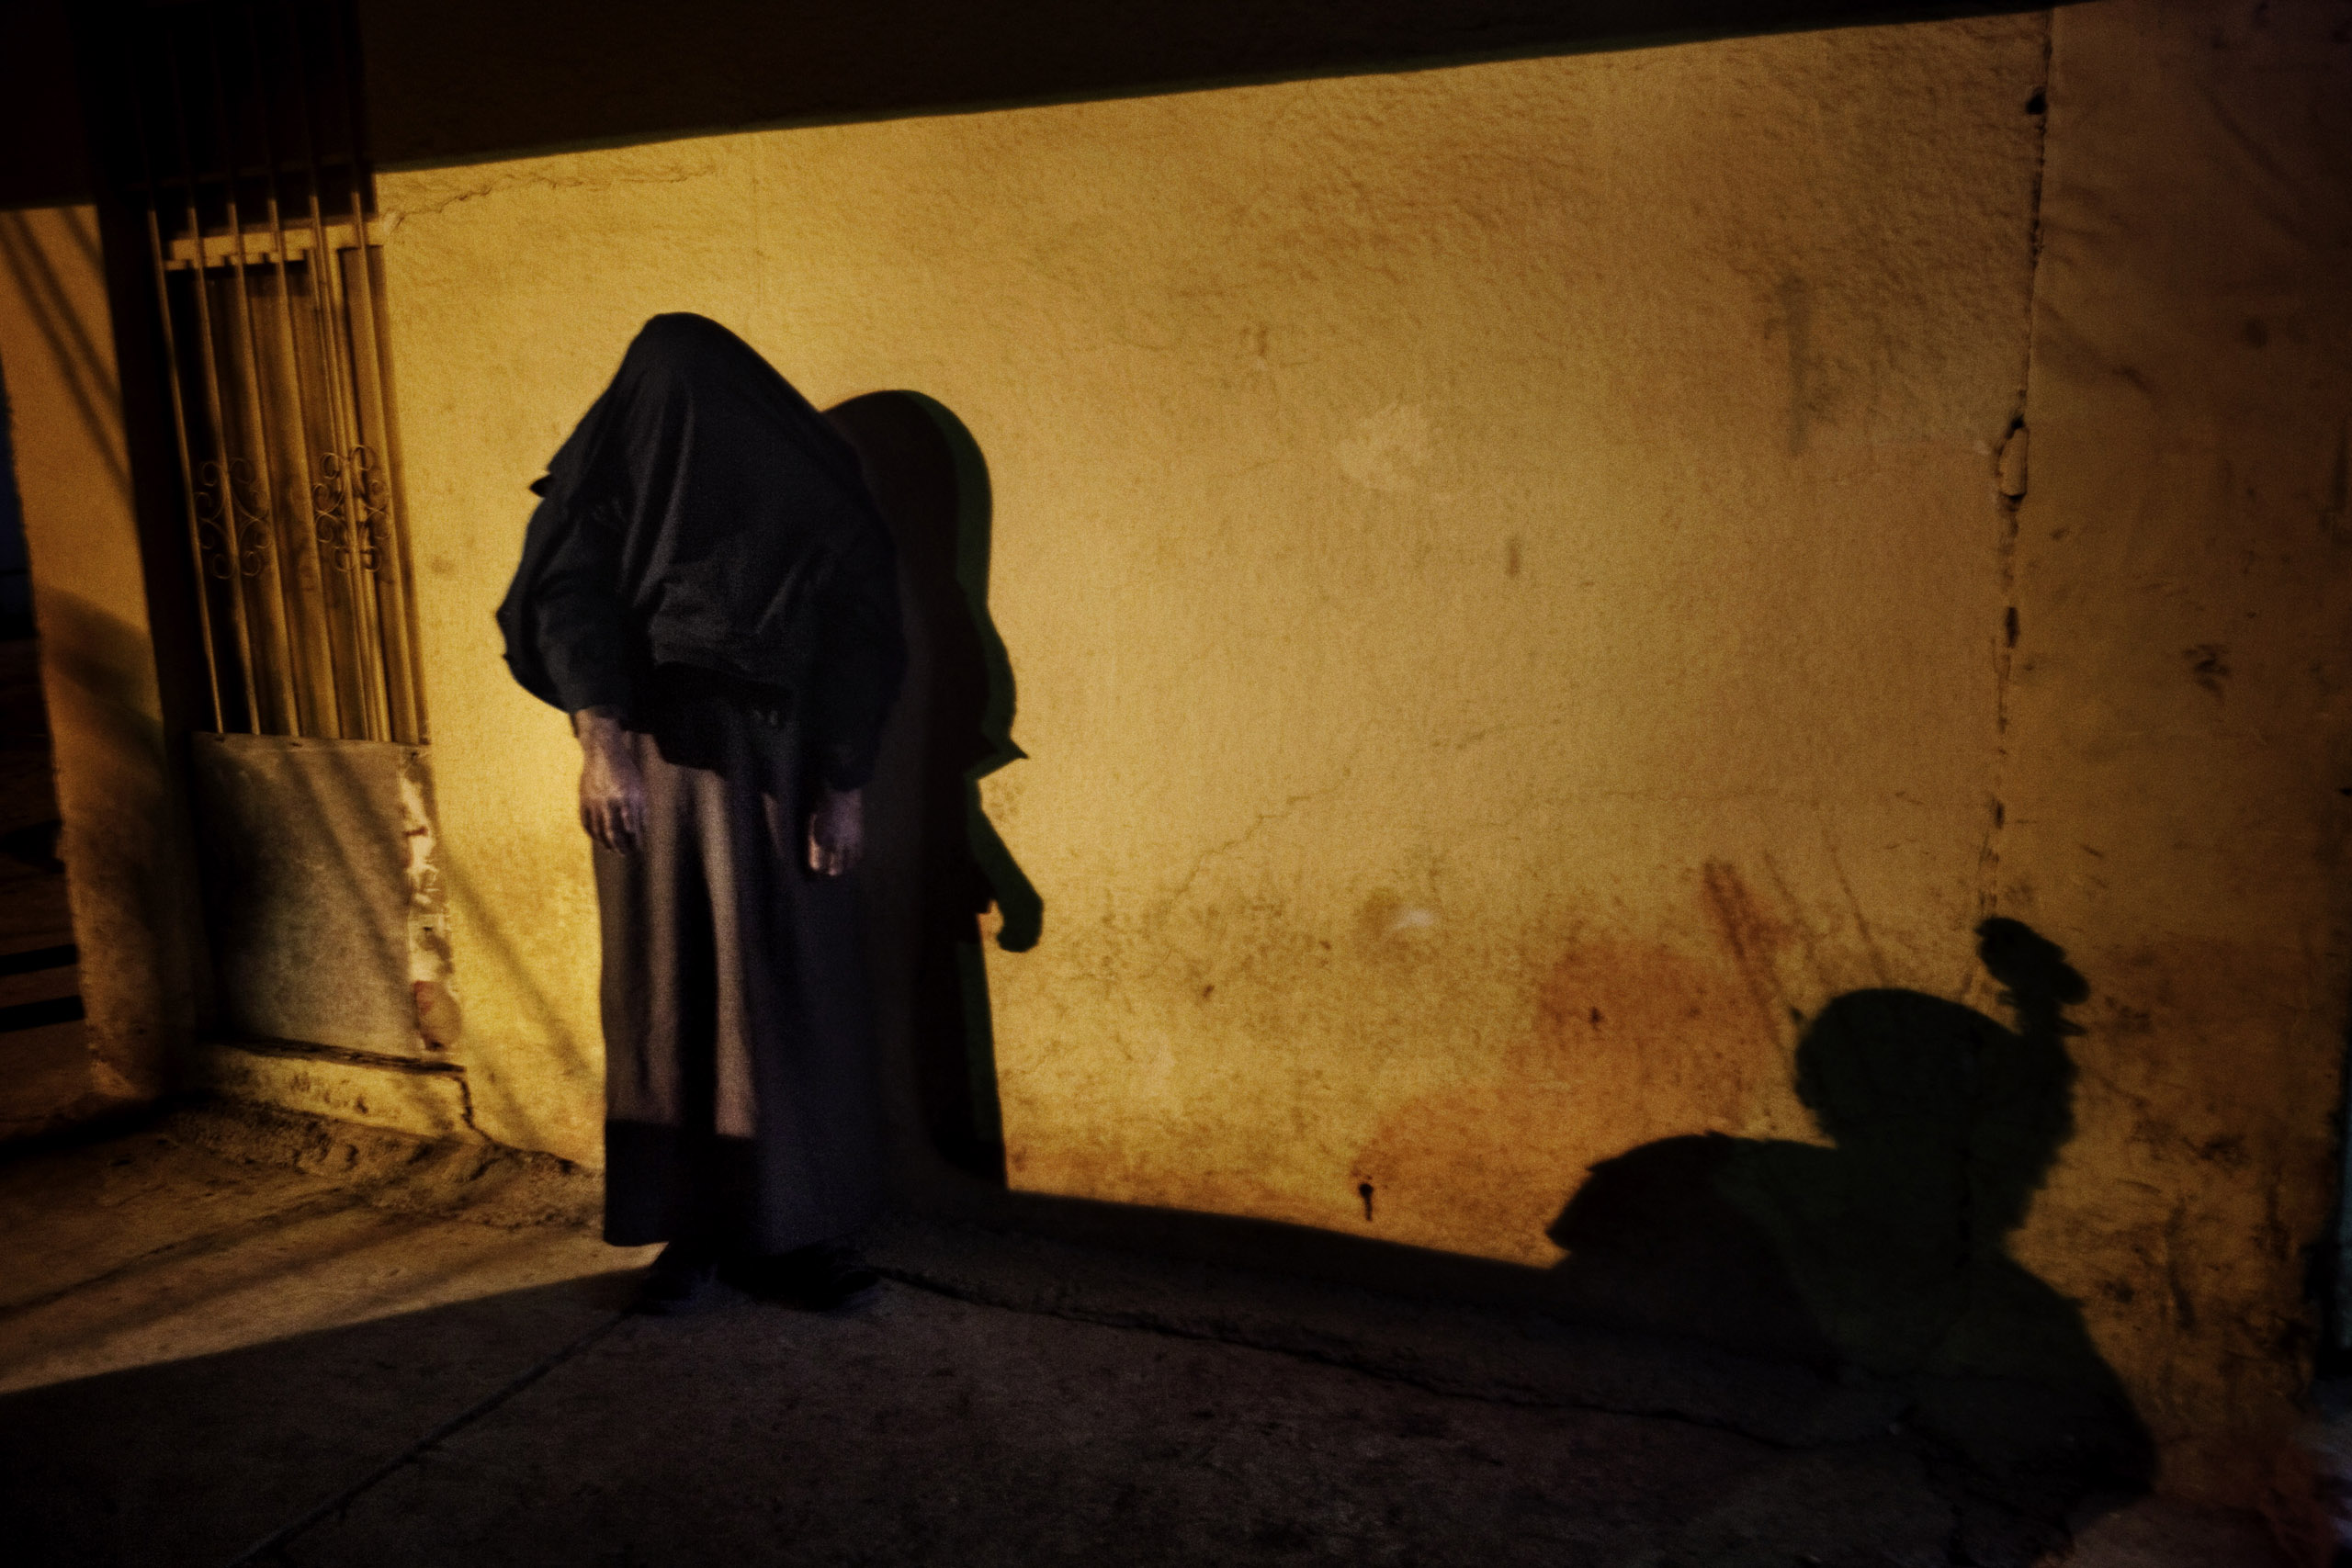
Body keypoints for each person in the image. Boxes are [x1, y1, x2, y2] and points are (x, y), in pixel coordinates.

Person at [496, 313, 906, 1313]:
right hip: (654, 767)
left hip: (783, 768)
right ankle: (694, 1229)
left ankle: (802, 1235)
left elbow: (864, 639)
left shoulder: (814, 483)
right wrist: (602, 749)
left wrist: (842, 788)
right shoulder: (616, 474)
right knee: (669, 991)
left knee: (785, 995)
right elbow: (567, 604)